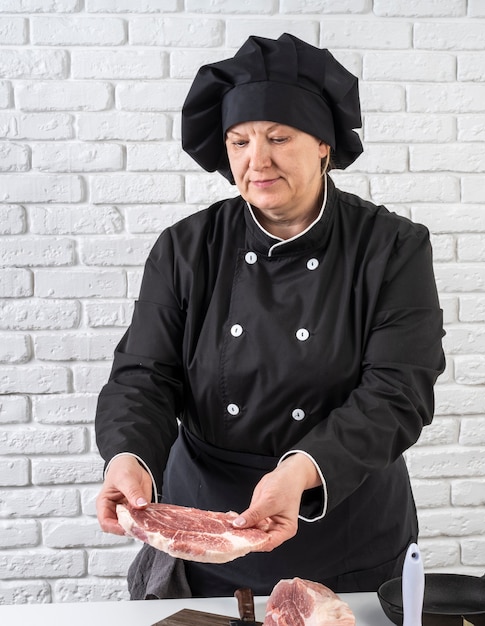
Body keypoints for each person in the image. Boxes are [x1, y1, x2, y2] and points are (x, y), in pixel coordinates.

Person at [95, 33, 445, 599]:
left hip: (342, 525)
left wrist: (299, 472)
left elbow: (399, 392)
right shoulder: (186, 248)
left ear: (324, 145)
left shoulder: (392, 248)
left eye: (278, 137)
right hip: (204, 528)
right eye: (239, 142)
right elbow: (144, 375)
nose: (257, 161)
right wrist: (129, 455)